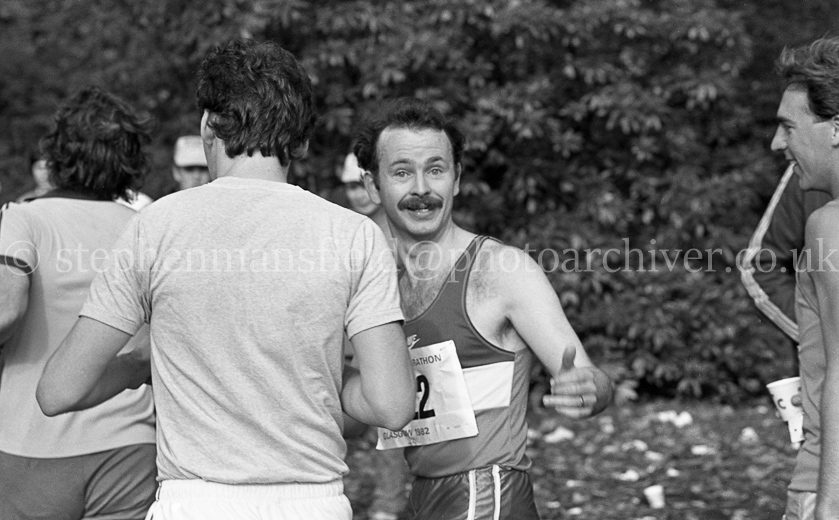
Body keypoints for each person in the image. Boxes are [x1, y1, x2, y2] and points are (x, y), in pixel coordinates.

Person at [37, 39, 414, 520]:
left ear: (208, 125)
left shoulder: (156, 226)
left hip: (193, 502)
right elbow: (392, 406)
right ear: (300, 141)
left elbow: (58, 391)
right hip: (313, 502)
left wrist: (146, 361)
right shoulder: (355, 235)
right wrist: (314, 376)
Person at [354, 98, 614, 520]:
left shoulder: (502, 270)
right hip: (423, 494)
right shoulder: (375, 282)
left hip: (487, 491)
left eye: (435, 170)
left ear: (456, 179)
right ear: (372, 186)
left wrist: (588, 388)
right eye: (402, 173)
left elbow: (586, 374)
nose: (421, 188)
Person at [0, 86, 156, 520]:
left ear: (57, 155)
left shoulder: (22, 217)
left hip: (30, 443)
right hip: (128, 444)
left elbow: (6, 309)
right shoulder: (146, 227)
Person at [769, 37, 839, 520]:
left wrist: (829, 501)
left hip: (823, 482)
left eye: (788, 127)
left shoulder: (829, 225)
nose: (778, 143)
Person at [340, 151, 407, 520]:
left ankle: (387, 508)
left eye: (362, 183)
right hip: (348, 353)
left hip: (388, 351)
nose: (357, 193)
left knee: (390, 438)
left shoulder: (403, 232)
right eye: (349, 185)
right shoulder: (343, 228)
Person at [739, 163, 830, 348]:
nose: (778, 143)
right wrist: (819, 339)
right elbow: (761, 266)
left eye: (789, 131)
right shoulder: (806, 169)